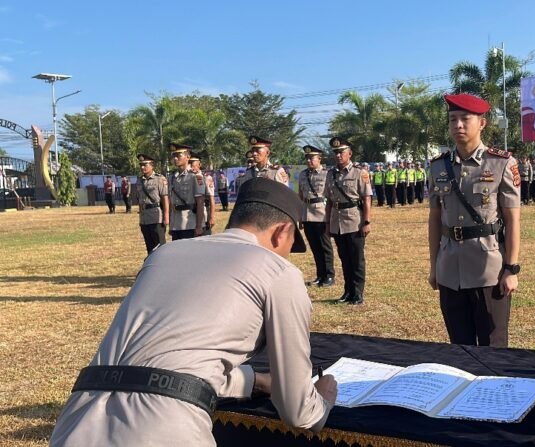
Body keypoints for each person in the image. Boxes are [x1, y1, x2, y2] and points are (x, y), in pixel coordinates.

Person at [50, 178, 338, 446]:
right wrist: (323, 399)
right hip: (163, 428)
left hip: (76, 420)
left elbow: (165, 364)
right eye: (291, 245)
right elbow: (298, 412)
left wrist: (256, 380)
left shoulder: (163, 254)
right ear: (282, 232)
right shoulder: (278, 271)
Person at [427, 93, 521, 347]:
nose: (458, 125)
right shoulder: (438, 166)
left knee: (493, 346)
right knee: (459, 346)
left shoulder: (501, 163)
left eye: (465, 119)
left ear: (482, 123)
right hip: (450, 268)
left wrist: (511, 269)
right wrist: (435, 265)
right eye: (452, 119)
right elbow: (435, 219)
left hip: (488, 269)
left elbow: (512, 221)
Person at [325, 137, 372, 305]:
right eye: (335, 153)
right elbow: (329, 201)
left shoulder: (360, 173)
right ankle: (348, 291)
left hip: (354, 220)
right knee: (344, 258)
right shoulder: (330, 174)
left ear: (349, 153)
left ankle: (358, 292)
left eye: (341, 152)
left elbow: (366, 199)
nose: (338, 156)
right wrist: (327, 222)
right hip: (337, 221)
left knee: (356, 259)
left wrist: (366, 222)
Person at [299, 145, 335, 287]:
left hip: (321, 213)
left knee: (325, 246)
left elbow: (331, 195)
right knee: (314, 246)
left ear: (319, 159)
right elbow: (301, 195)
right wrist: (300, 216)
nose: (309, 160)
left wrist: (330, 216)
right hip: (307, 213)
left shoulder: (326, 174)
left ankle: (329, 275)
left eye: (311, 158)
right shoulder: (303, 174)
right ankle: (320, 275)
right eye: (307, 158)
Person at [168, 143, 205, 240]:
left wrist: (199, 226)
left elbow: (200, 202)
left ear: (188, 156)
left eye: (178, 155)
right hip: (176, 224)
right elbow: (171, 204)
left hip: (190, 224)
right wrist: (171, 225)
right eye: (174, 156)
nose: (175, 158)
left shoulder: (195, 176)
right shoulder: (172, 178)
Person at [136, 154, 169, 254]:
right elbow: (140, 199)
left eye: (145, 165)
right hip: (145, 218)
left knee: (160, 246)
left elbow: (165, 198)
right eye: (141, 165)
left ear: (152, 165)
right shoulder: (139, 180)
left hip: (156, 216)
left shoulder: (159, 179)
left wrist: (166, 216)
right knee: (149, 247)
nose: (142, 167)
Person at [189, 151, 215, 236]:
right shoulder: (187, 178)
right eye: (190, 165)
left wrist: (212, 217)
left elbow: (211, 198)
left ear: (199, 164)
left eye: (193, 164)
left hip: (204, 213)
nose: (192, 167)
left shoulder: (206, 177)